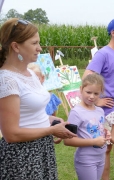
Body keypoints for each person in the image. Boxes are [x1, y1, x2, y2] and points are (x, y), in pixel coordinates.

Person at [0, 18, 76, 179]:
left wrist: (52, 120)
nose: (39, 48)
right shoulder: (7, 80)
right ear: (16, 46)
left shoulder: (30, 74)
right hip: (22, 155)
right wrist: (51, 130)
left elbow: (30, 113)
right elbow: (11, 134)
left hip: (41, 147)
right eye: (34, 43)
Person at [82, 17, 114, 180]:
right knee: (106, 148)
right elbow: (86, 78)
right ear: (113, 33)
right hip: (109, 111)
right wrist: (96, 100)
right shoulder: (103, 54)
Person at [63, 74, 111, 180]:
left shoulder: (100, 110)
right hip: (86, 159)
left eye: (96, 93)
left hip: (101, 156)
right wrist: (94, 142)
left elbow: (97, 129)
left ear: (101, 93)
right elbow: (67, 141)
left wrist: (105, 133)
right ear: (81, 89)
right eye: (88, 92)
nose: (92, 96)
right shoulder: (76, 112)